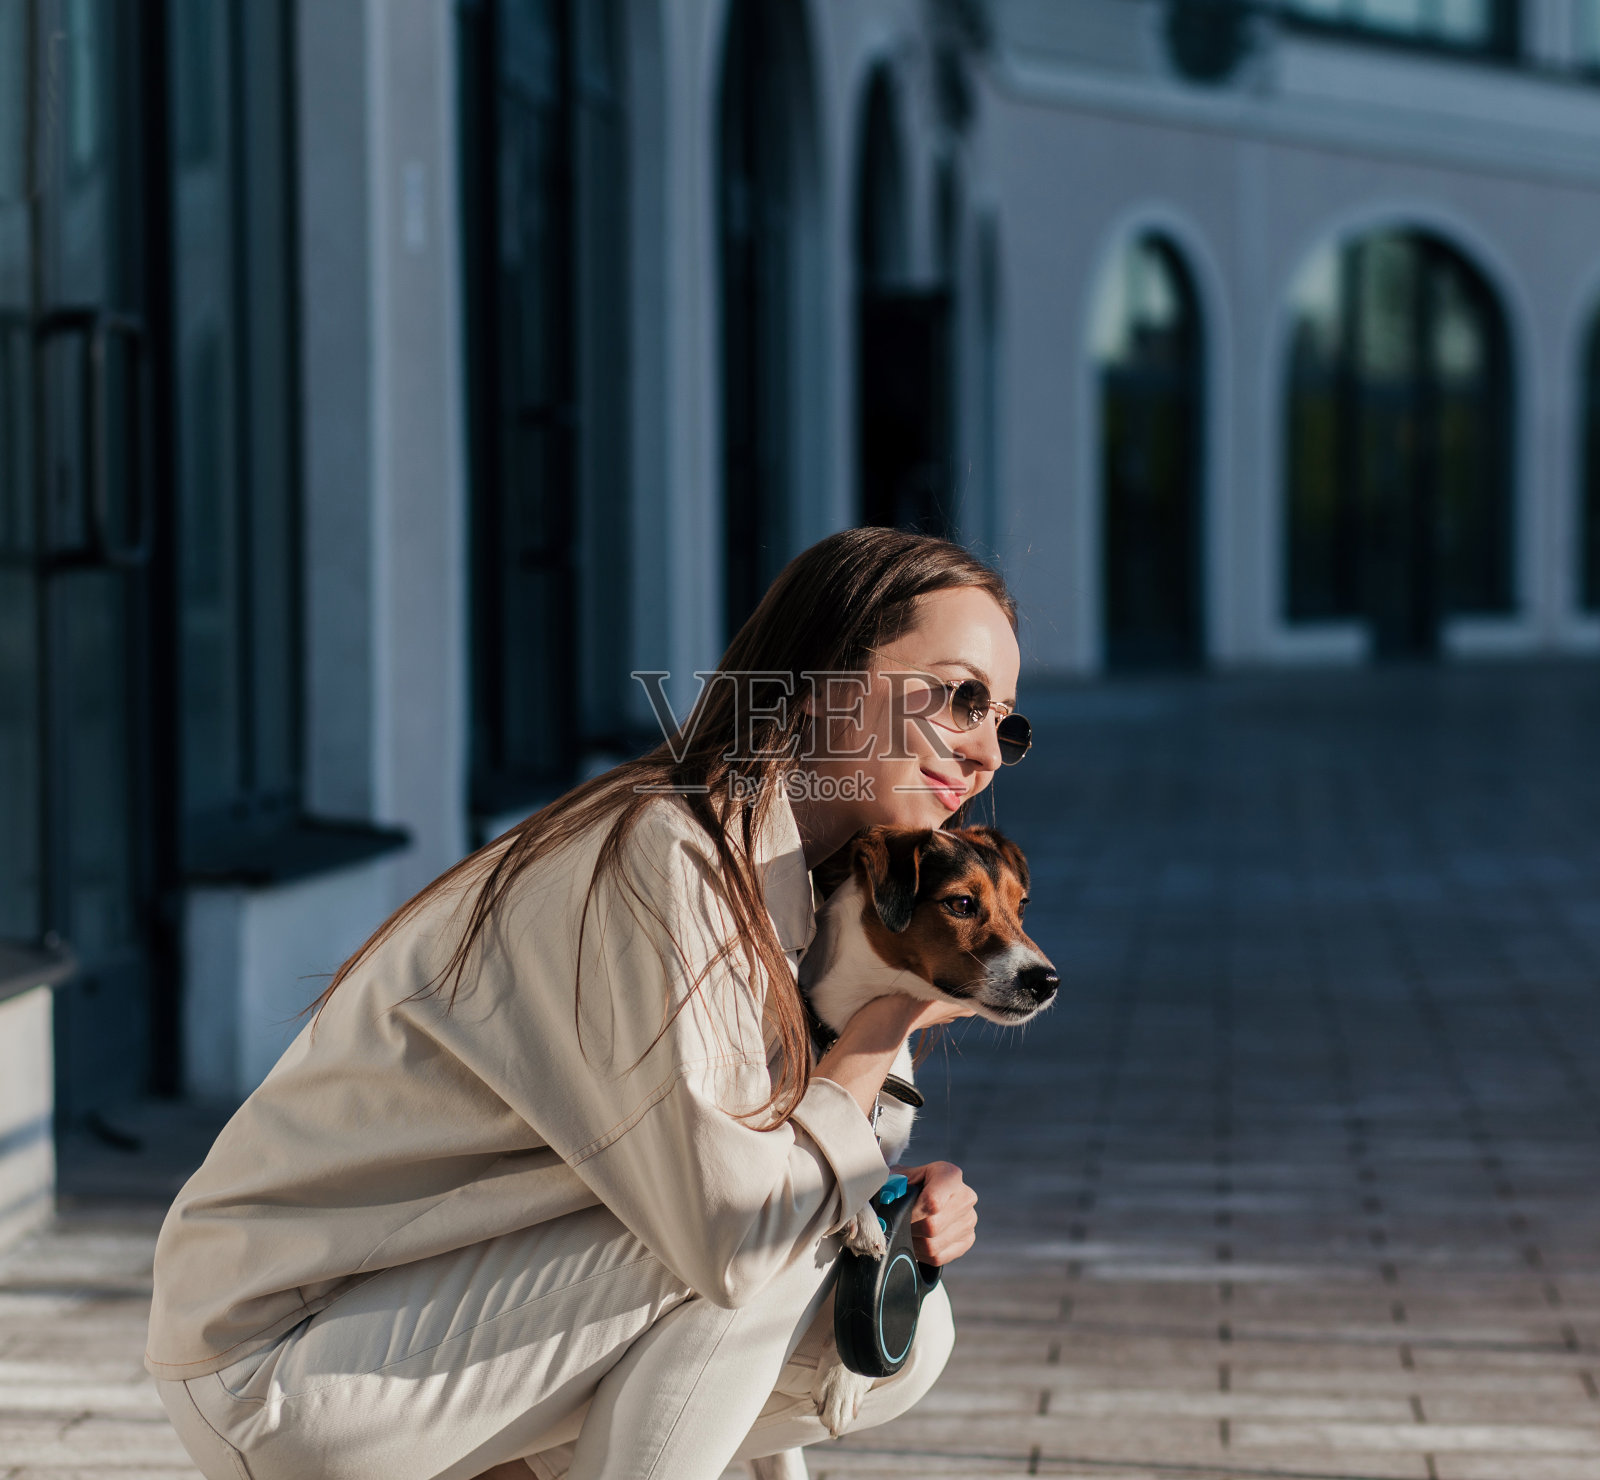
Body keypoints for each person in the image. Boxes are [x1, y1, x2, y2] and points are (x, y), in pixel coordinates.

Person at [146, 527, 1029, 1480]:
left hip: (415, 1327)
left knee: (895, 1324)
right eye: (959, 697)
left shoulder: (802, 886)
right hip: (287, 1358)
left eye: (1006, 724)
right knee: (783, 1234)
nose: (984, 752)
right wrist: (888, 1021)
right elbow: (744, 1232)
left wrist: (880, 1185)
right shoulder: (666, 852)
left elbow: (782, 1175)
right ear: (818, 683)